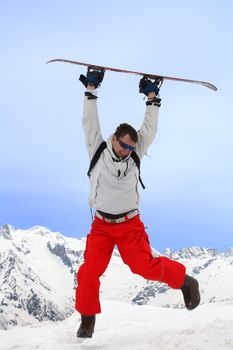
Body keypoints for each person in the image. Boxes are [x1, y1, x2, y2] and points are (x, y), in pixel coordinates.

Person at [75, 68, 200, 338]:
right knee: (89, 271)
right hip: (101, 226)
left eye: (131, 148)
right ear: (114, 140)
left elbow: (149, 129)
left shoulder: (135, 155)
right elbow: (89, 122)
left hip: (129, 224)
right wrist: (91, 91)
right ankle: (87, 320)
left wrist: (152, 96)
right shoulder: (97, 147)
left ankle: (185, 282)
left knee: (143, 266)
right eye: (123, 146)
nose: (127, 151)